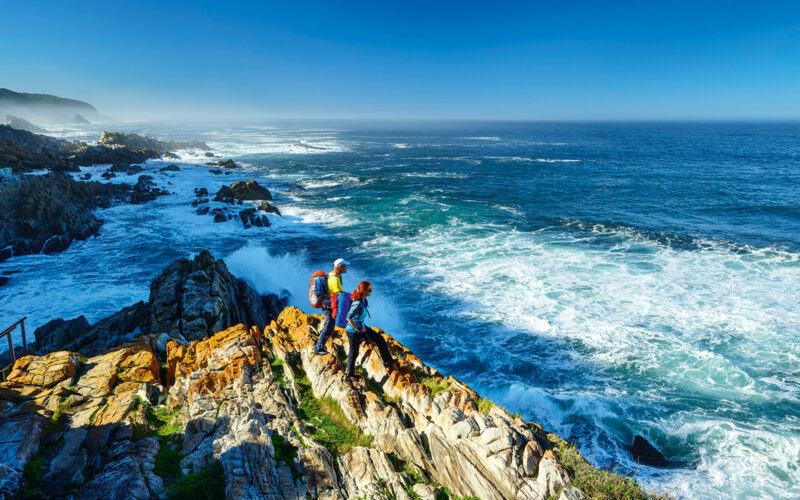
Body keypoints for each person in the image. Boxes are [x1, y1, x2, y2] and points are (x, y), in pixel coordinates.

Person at [344, 281, 397, 381]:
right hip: (353, 331)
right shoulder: (357, 303)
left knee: (379, 338)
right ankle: (349, 375)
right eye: (369, 289)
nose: (371, 291)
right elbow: (349, 318)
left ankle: (388, 361)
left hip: (361, 327)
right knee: (354, 352)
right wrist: (358, 329)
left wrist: (361, 327)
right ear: (364, 291)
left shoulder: (363, 301)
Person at [315, 258, 348, 355]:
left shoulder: (332, 274)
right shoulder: (334, 279)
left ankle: (321, 347)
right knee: (328, 327)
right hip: (329, 305)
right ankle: (318, 348)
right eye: (345, 266)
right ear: (339, 267)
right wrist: (353, 297)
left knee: (330, 327)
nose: (346, 268)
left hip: (329, 304)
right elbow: (339, 293)